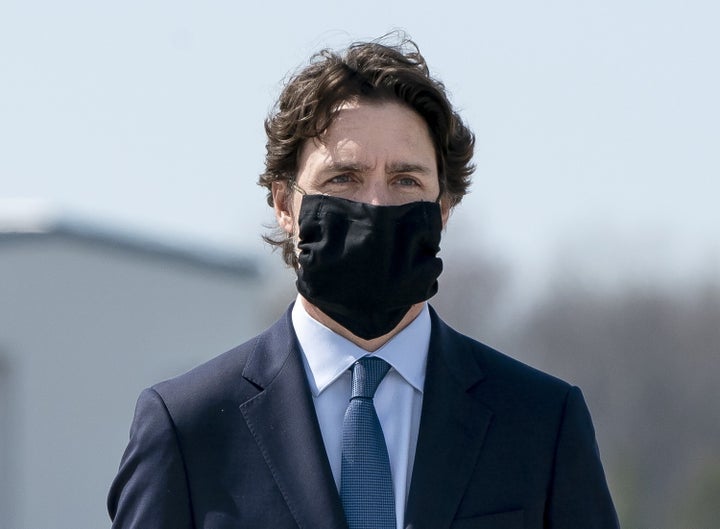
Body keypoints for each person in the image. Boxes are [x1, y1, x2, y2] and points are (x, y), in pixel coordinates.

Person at [108, 35, 620, 529]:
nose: (375, 206)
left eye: (405, 181)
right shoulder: (187, 428)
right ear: (285, 205)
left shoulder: (540, 423)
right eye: (343, 178)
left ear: (443, 209)